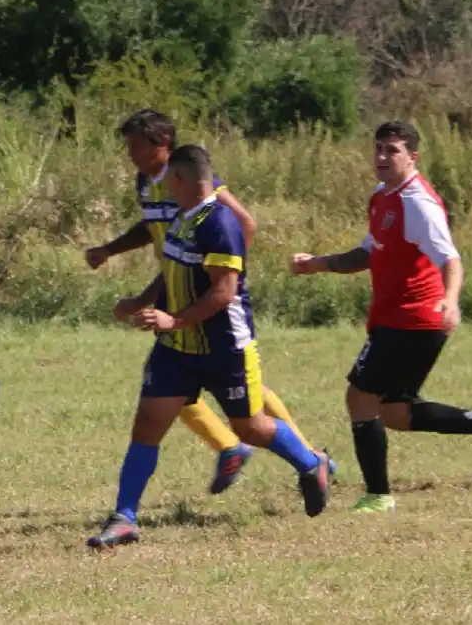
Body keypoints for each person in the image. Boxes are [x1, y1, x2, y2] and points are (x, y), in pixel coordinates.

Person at [88, 145, 330, 549]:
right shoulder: (182, 218)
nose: (165, 187)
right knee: (147, 425)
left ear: (180, 179)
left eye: (169, 181)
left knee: (250, 428)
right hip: (177, 347)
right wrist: (141, 301)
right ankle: (124, 518)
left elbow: (223, 292)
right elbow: (171, 270)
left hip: (224, 348)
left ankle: (311, 463)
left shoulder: (220, 224)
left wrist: (174, 319)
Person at [290, 120, 472, 512]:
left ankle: (378, 495)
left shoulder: (417, 203)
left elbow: (450, 259)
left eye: (392, 150)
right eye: (378, 148)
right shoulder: (381, 196)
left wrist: (451, 300)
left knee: (360, 398)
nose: (382, 157)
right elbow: (368, 253)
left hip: (414, 319)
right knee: (395, 413)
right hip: (396, 318)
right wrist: (318, 264)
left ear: (412, 157)